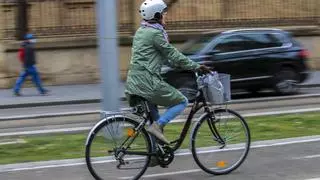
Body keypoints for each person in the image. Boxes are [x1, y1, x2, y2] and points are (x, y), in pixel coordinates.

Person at [125, 0, 211, 145]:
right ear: (157, 15)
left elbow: (158, 56)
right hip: (148, 82)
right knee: (181, 101)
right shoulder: (155, 34)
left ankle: (156, 154)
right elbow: (173, 54)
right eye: (164, 14)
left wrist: (177, 65)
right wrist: (196, 66)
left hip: (134, 82)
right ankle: (157, 127)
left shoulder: (141, 31)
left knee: (155, 117)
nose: (166, 16)